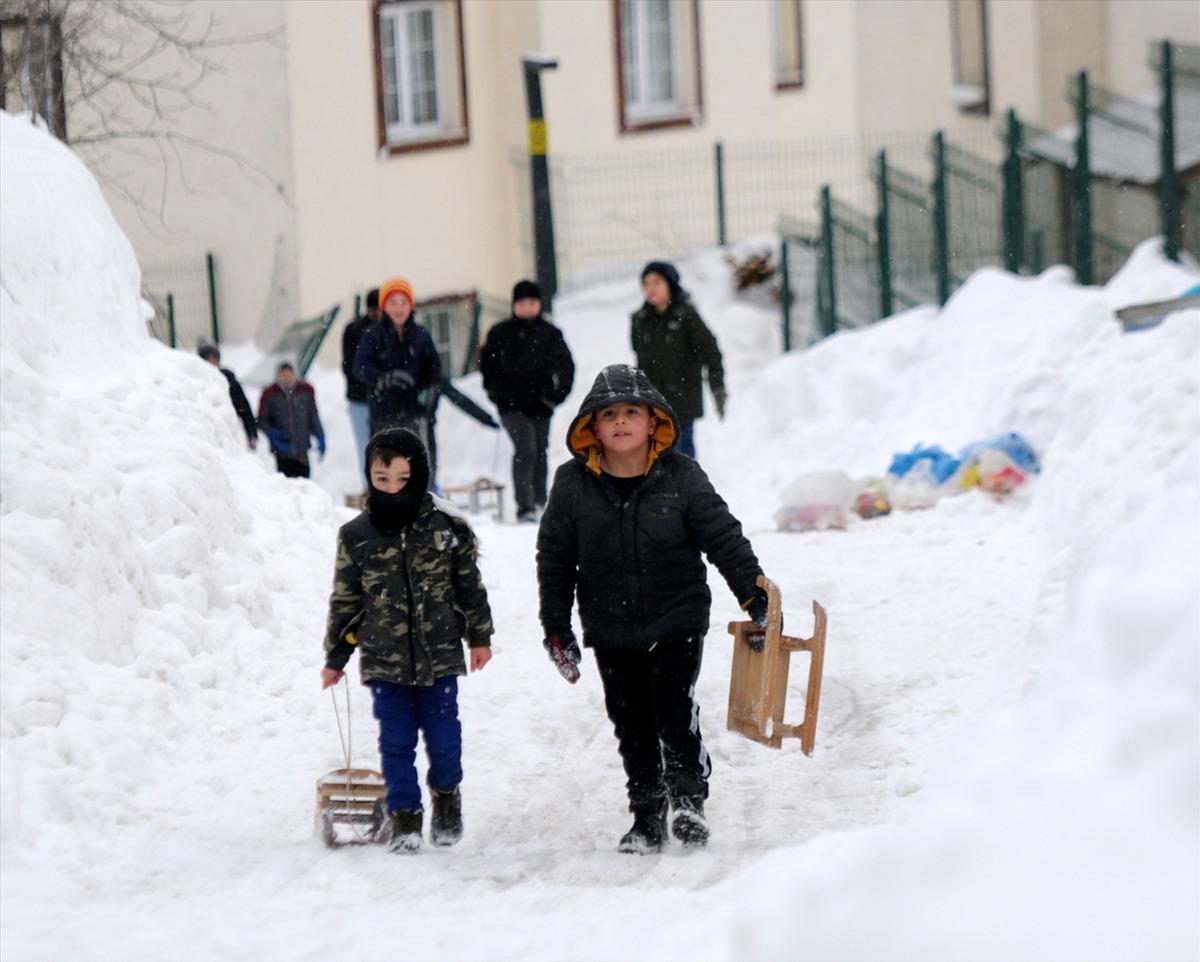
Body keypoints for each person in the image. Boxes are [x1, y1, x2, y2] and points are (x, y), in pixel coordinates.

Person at [535, 364, 770, 854]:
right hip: (609, 622)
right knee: (631, 721)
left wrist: (754, 592)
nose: (621, 421)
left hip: (676, 614)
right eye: (610, 414)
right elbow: (555, 559)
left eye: (632, 412)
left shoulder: (681, 476)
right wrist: (556, 627)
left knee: (671, 707)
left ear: (652, 422)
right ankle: (646, 815)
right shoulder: (572, 484)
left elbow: (722, 536)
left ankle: (687, 799)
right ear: (592, 427)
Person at [321, 427, 494, 853]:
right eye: (383, 480)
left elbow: (468, 584)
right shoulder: (357, 536)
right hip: (385, 661)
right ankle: (405, 818)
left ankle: (447, 797)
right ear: (370, 477)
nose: (393, 489)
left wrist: (479, 635)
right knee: (395, 745)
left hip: (439, 658)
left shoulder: (443, 528)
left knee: (444, 741)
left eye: (403, 479)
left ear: (419, 477)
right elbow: (346, 599)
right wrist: (336, 657)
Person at [478, 279, 575, 523]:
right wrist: (496, 393)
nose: (527, 307)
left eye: (532, 302)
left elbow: (566, 367)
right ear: (514, 305)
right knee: (525, 448)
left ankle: (540, 501)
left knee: (540, 451)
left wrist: (555, 396)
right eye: (522, 303)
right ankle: (524, 506)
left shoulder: (550, 334)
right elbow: (486, 367)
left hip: (541, 405)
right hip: (511, 406)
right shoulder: (500, 333)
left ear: (539, 304)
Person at [630, 261, 726, 459]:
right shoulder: (640, 320)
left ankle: (687, 489)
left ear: (670, 284)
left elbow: (711, 352)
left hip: (682, 402)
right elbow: (640, 360)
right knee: (655, 458)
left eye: (657, 282)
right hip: (652, 403)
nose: (650, 288)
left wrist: (718, 387)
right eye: (646, 283)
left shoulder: (686, 317)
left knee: (681, 457)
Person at [352, 278, 442, 482]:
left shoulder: (421, 335)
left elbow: (434, 368)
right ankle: (387, 503)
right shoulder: (373, 335)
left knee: (419, 459)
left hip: (415, 412)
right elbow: (360, 366)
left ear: (411, 306)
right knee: (387, 460)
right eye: (393, 303)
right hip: (384, 412)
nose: (399, 308)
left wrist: (430, 390)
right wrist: (382, 379)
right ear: (384, 307)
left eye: (404, 302)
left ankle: (422, 499)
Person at [257, 362, 326, 478]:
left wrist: (320, 436)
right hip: (282, 450)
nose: (287, 378)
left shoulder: (305, 391)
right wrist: (273, 433)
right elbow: (261, 420)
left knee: (305, 485)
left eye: (290, 375)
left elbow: (313, 416)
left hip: (302, 449)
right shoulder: (270, 394)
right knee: (286, 485)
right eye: (284, 375)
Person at [343, 287, 381, 474]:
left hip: (381, 399)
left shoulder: (387, 330)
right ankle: (369, 485)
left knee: (383, 445)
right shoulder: (355, 330)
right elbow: (350, 366)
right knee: (366, 445)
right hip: (360, 399)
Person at [198, 344, 257, 449]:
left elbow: (244, 408)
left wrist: (251, 433)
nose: (214, 361)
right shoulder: (198, 381)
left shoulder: (228, 380)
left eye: (216, 358)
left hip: (229, 433)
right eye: (210, 358)